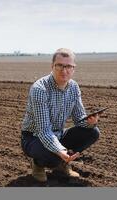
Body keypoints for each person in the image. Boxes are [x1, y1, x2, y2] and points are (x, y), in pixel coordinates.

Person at [21, 48, 100, 182]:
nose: (64, 70)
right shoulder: (40, 89)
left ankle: (61, 164)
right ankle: (38, 164)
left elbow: (79, 119)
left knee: (93, 132)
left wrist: (90, 122)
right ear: (52, 67)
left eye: (69, 66)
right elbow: (44, 131)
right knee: (53, 156)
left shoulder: (74, 87)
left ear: (74, 68)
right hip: (34, 138)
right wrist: (61, 151)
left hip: (58, 133)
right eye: (60, 66)